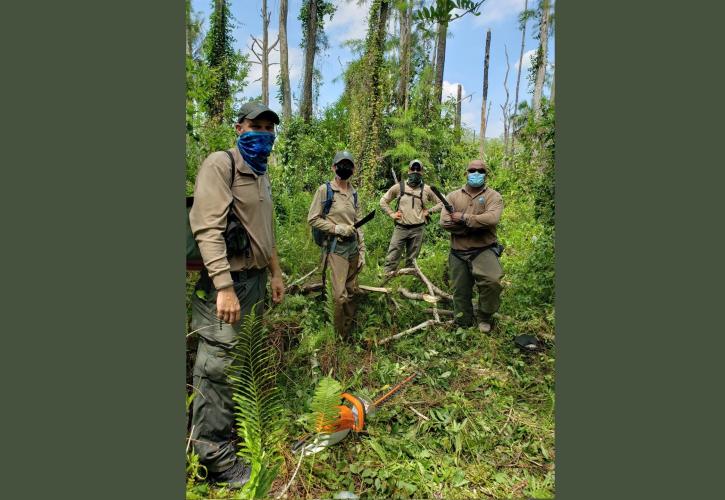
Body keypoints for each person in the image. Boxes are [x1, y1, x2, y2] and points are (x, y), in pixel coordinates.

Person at [188, 102, 285, 488]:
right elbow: (207, 228)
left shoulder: (260, 174)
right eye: (256, 126)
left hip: (255, 281)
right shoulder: (220, 165)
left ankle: (225, 433)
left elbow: (266, 230)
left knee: (238, 360)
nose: (263, 133)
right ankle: (211, 458)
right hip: (226, 285)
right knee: (217, 367)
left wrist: (276, 273)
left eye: (269, 128)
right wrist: (224, 288)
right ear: (239, 128)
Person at [440, 159, 504, 333]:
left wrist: (462, 218)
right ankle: (463, 322)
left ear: (486, 175)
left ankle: (484, 316)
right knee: (460, 290)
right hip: (458, 252)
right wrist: (477, 224)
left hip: (483, 249)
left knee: (492, 282)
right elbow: (444, 222)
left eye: (480, 171)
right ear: (466, 173)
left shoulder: (494, 196)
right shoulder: (452, 196)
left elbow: (492, 219)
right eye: (472, 170)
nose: (476, 173)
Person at [307, 151, 366, 339]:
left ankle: (348, 330)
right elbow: (313, 219)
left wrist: (362, 249)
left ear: (354, 169)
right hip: (336, 248)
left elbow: (358, 222)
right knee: (339, 295)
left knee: (352, 291)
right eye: (341, 164)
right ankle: (338, 337)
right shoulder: (325, 190)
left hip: (353, 248)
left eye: (349, 165)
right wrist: (336, 228)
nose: (345, 168)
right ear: (334, 167)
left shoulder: (354, 193)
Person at [379, 159, 443, 274]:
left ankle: (407, 282)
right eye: (413, 169)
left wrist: (430, 211)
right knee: (392, 256)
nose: (415, 171)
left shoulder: (427, 189)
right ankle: (385, 280)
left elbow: (443, 202)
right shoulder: (399, 187)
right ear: (408, 171)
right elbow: (383, 201)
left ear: (422, 172)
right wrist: (391, 214)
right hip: (401, 227)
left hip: (418, 229)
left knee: (412, 261)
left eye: (418, 169)